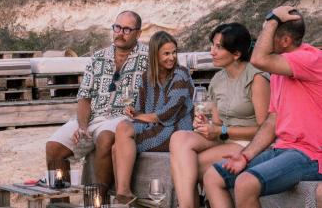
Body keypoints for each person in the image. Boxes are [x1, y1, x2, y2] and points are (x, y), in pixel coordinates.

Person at [203, 6, 322, 208]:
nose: (261, 42)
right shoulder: (278, 71)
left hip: (310, 155)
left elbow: (258, 59)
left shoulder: (311, 59)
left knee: (245, 183)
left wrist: (273, 20)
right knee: (213, 176)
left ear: (285, 41)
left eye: (267, 35)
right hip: (282, 149)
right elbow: (272, 121)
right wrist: (245, 155)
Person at [46, 11, 148, 194]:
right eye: (117, 27)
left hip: (123, 117)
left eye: (126, 29)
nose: (120, 33)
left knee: (105, 137)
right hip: (93, 117)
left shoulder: (148, 58)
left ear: (138, 33)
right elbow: (84, 96)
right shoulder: (98, 58)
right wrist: (83, 127)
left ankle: (99, 199)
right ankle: (60, 202)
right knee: (53, 147)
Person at [170, 23, 270, 208]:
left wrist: (221, 130)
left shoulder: (256, 78)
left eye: (218, 47)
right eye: (212, 45)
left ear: (236, 53)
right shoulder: (217, 80)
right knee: (179, 138)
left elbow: (265, 129)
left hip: (249, 144)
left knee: (188, 167)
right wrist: (206, 125)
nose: (212, 52)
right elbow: (217, 124)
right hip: (225, 138)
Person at [112, 31, 194, 204]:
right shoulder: (146, 77)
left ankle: (123, 195)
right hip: (152, 125)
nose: (171, 57)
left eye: (174, 52)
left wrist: (140, 116)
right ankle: (124, 192)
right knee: (122, 127)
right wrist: (134, 112)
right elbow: (141, 109)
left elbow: (168, 114)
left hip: (174, 129)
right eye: (166, 53)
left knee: (117, 148)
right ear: (155, 54)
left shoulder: (181, 75)